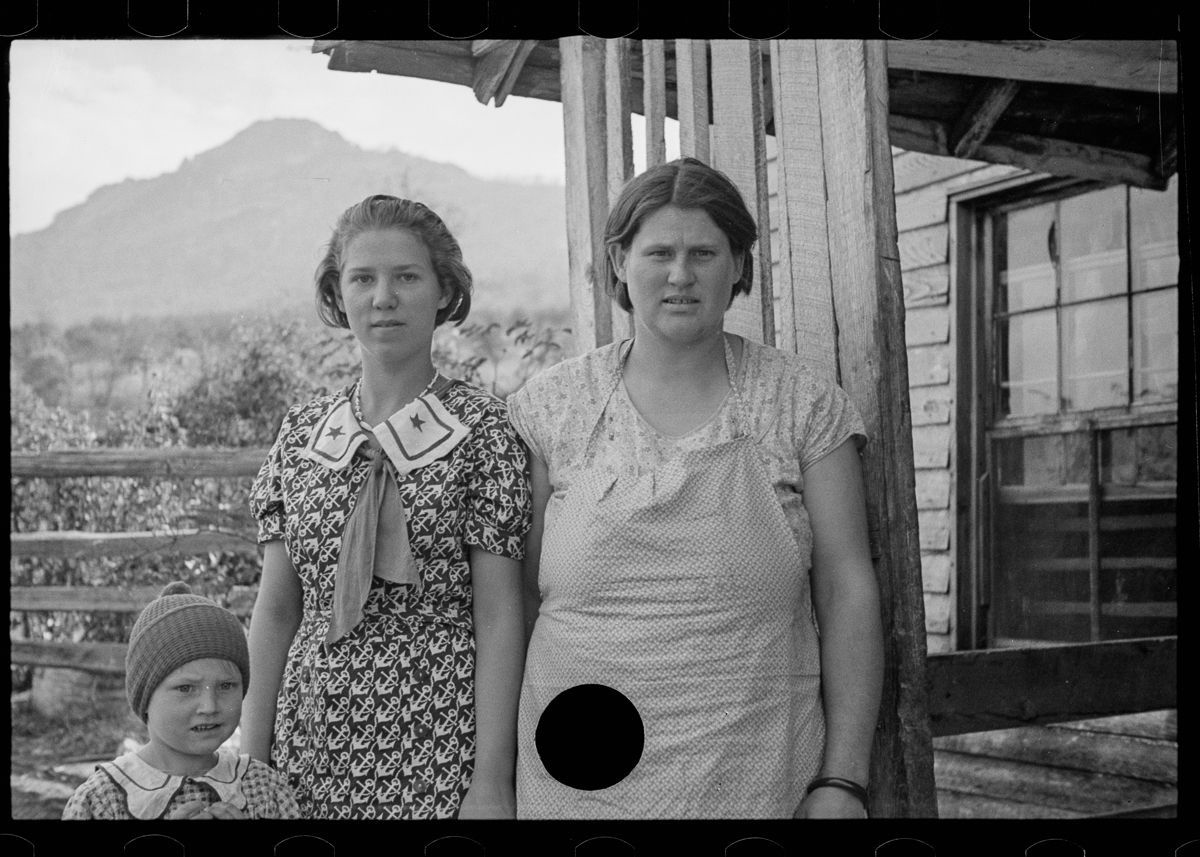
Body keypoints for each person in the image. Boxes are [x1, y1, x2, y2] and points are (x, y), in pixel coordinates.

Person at [507, 158, 883, 819]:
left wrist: (844, 780)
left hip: (755, 780)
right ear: (620, 261)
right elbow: (515, 601)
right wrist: (491, 777)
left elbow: (846, 589)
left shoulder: (802, 403)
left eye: (703, 253)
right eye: (660, 253)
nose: (680, 274)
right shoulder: (551, 407)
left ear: (738, 263)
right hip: (578, 788)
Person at [240, 195, 531, 820]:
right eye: (363, 279)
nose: (383, 298)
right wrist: (250, 766)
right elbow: (277, 610)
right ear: (337, 294)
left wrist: (492, 779)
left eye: (406, 277)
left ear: (444, 290)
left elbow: (500, 615)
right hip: (308, 747)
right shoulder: (302, 434)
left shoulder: (484, 430)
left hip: (440, 745)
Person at [62, 581, 301, 820]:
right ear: (144, 697)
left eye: (226, 686)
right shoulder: (102, 800)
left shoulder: (264, 788)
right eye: (185, 688)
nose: (209, 706)